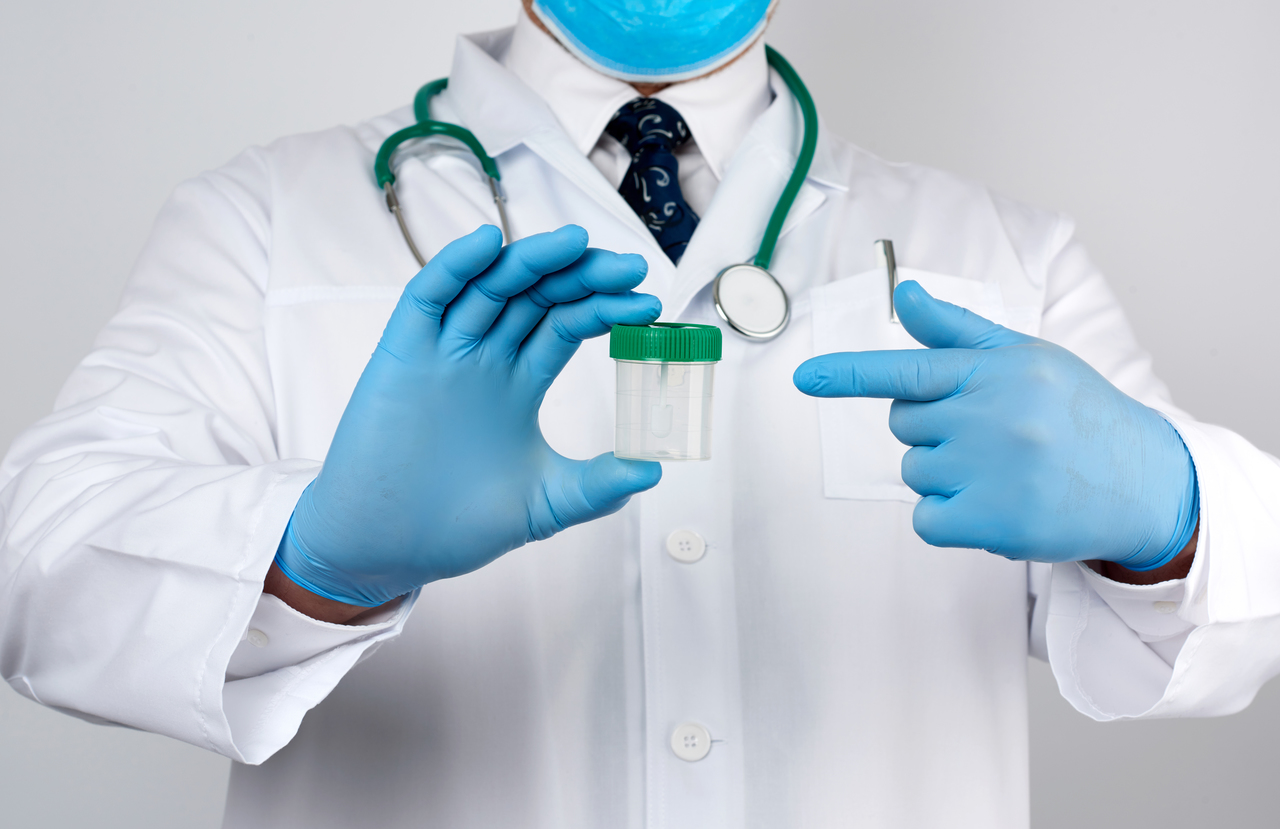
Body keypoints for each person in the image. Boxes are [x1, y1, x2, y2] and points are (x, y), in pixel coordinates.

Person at [2, 1, 1279, 826]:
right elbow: (35, 571)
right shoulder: (270, 217)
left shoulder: (994, 251)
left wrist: (1167, 511)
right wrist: (316, 555)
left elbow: (1237, 626)